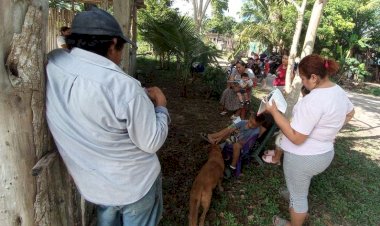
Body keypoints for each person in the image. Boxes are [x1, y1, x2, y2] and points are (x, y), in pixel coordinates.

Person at [46, 7, 170, 226]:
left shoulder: (54, 63)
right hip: (136, 186)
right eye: (121, 49)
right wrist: (161, 106)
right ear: (113, 43)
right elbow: (151, 142)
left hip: (96, 187)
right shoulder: (124, 87)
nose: (121, 57)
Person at [265, 54, 355, 226]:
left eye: (303, 78)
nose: (303, 82)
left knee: (299, 199)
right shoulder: (338, 91)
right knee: (299, 186)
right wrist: (329, 132)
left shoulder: (313, 100)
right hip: (324, 154)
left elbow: (296, 138)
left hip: (303, 158)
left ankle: (293, 222)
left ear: (314, 77)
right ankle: (295, 191)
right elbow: (350, 113)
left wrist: (275, 112)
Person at [200, 113, 267, 174]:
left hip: (242, 146)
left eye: (254, 125)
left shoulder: (256, 132)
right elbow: (230, 129)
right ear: (249, 118)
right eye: (250, 122)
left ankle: (233, 165)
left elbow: (246, 143)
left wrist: (233, 139)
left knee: (236, 144)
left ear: (259, 125)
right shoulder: (243, 122)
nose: (250, 125)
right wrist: (221, 137)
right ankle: (214, 138)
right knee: (229, 129)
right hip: (233, 140)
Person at [262, 86, 310, 165]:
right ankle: (277, 152)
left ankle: (276, 158)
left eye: (303, 95)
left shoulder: (309, 104)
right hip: (294, 125)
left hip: (298, 130)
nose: (302, 96)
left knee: (281, 139)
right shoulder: (305, 100)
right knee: (280, 136)